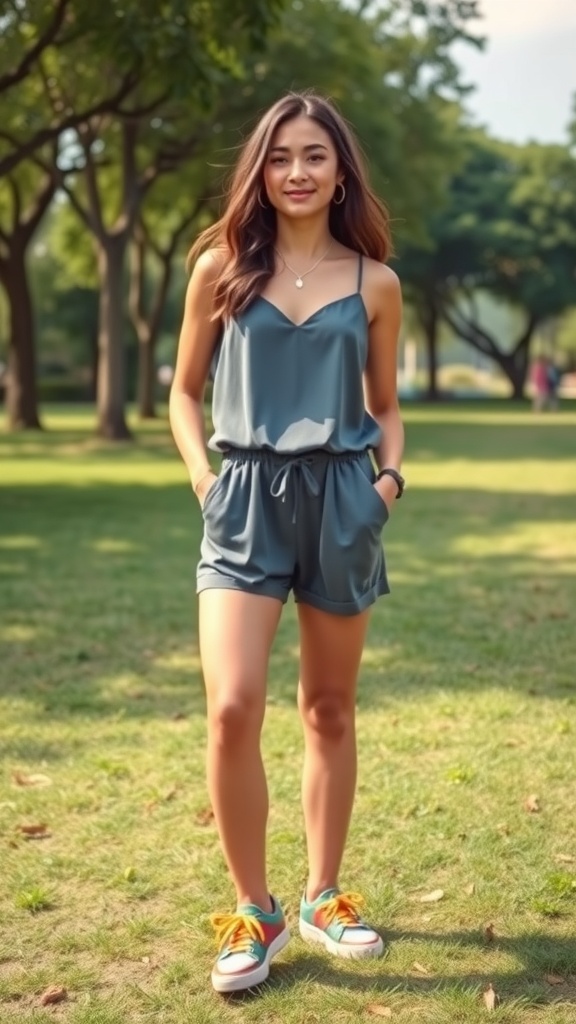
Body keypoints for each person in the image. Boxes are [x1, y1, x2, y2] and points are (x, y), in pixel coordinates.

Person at [169, 91, 404, 994]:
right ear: (258, 171)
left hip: (343, 498)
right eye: (279, 157)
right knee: (231, 707)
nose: (296, 172)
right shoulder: (219, 268)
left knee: (328, 709)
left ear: (341, 169)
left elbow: (385, 409)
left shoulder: (373, 282)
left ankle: (322, 895)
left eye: (314, 155)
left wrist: (383, 487)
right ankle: (255, 910)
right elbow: (185, 393)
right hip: (243, 501)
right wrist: (204, 478)